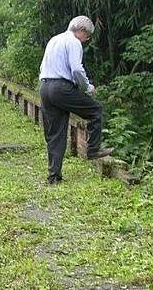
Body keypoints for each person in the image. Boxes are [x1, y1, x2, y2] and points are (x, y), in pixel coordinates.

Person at [39, 15, 113, 184]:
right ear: (82, 31)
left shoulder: (54, 39)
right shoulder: (73, 42)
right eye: (87, 36)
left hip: (44, 87)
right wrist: (87, 87)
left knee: (55, 134)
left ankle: (54, 176)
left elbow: (43, 66)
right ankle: (93, 150)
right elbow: (77, 70)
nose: (86, 40)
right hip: (60, 88)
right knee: (95, 110)